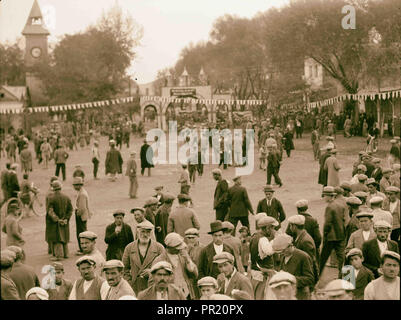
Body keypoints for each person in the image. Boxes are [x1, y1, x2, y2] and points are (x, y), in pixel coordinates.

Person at [122, 220, 165, 295]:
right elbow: (124, 269)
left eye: (148, 232)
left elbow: (165, 267)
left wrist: (152, 272)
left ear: (151, 233)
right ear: (138, 232)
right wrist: (129, 283)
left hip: (153, 286)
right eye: (143, 231)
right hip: (135, 287)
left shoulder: (159, 248)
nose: (145, 234)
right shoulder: (129, 247)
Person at [151, 233, 198, 299]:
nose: (180, 249)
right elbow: (152, 282)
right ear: (169, 247)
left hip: (187, 294)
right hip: (170, 296)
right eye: (177, 248)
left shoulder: (183, 256)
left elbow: (194, 275)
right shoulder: (159, 260)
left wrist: (188, 260)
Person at [272, 234, 315, 300]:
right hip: (288, 294)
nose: (281, 254)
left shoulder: (303, 257)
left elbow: (310, 279)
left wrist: (291, 278)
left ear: (290, 246)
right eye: (279, 253)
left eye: (283, 251)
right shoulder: (283, 256)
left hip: (301, 295)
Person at [319, 186, 346, 278]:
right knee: (342, 258)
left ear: (329, 196)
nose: (324, 197)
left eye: (325, 195)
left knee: (322, 259)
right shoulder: (340, 205)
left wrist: (325, 235)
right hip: (340, 235)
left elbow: (327, 224)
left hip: (330, 237)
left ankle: (315, 279)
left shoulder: (330, 207)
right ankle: (347, 279)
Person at [286, 215, 319, 283]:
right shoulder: (300, 236)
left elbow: (310, 262)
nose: (289, 228)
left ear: (294, 226)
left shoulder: (305, 241)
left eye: (290, 226)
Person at [73, 177, 91, 255]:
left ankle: (83, 249)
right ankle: (84, 248)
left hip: (81, 216)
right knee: (82, 232)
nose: (74, 187)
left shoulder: (82, 194)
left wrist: (78, 214)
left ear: (79, 185)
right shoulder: (82, 192)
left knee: (81, 233)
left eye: (75, 185)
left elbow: (82, 208)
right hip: (83, 215)